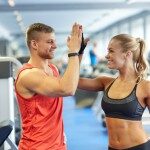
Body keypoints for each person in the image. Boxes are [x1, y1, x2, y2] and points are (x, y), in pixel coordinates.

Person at [15, 22, 82, 150]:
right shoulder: (28, 75)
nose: (55, 46)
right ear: (34, 44)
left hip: (58, 144)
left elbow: (70, 80)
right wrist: (73, 51)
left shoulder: (53, 68)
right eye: (50, 42)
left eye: (54, 41)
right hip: (36, 147)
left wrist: (80, 51)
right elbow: (68, 89)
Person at [78, 34, 150, 150]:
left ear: (127, 54)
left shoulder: (145, 86)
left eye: (111, 51)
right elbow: (74, 81)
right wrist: (78, 52)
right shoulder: (105, 82)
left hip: (139, 147)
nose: (107, 56)